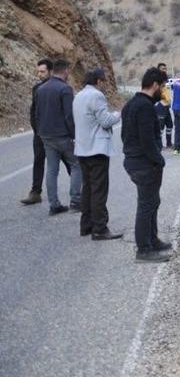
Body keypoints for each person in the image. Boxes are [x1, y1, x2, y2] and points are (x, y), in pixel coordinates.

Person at [121, 67, 172, 263]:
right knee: (146, 205)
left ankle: (152, 240)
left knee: (152, 202)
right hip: (144, 164)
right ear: (155, 85)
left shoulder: (131, 104)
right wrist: (158, 160)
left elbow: (125, 136)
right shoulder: (145, 107)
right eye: (163, 86)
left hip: (135, 161)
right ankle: (143, 249)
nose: (164, 91)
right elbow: (147, 140)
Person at [73, 68, 123, 240]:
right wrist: (118, 114)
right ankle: (100, 228)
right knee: (99, 190)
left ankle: (86, 225)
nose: (105, 85)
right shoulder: (97, 96)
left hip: (82, 149)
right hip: (97, 149)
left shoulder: (78, 96)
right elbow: (106, 121)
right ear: (99, 81)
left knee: (87, 188)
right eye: (104, 82)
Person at [35, 59, 82, 216]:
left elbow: (37, 113)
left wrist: (40, 132)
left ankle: (54, 205)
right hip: (62, 136)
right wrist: (75, 135)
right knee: (76, 165)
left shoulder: (41, 89)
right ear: (66, 70)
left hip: (46, 136)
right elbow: (69, 115)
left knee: (52, 170)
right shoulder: (65, 89)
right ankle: (76, 201)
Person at [21, 59, 70, 205]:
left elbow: (66, 112)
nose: (39, 74)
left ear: (51, 71)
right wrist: (37, 129)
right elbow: (34, 111)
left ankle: (80, 190)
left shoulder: (61, 87)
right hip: (40, 133)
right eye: (38, 72)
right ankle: (35, 192)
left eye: (42, 71)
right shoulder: (37, 88)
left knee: (69, 161)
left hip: (58, 133)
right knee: (38, 160)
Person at [155, 62, 173, 149]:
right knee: (160, 127)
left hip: (166, 106)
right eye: (163, 69)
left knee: (170, 125)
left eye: (165, 69)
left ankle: (169, 143)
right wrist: (162, 98)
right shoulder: (156, 80)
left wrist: (169, 101)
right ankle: (159, 145)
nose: (164, 70)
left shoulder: (165, 79)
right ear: (158, 69)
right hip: (160, 106)